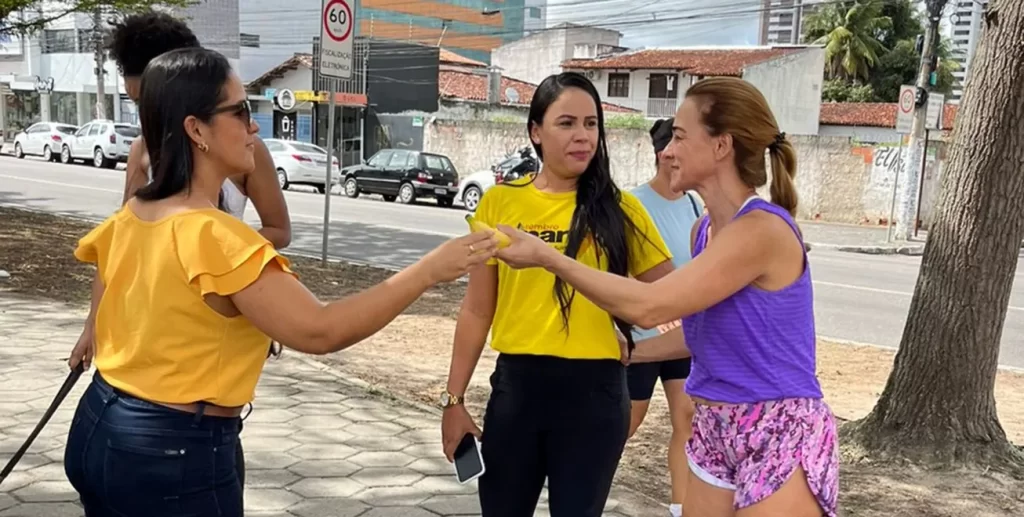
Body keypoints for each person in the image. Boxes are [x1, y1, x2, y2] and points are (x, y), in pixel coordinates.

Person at [61, 47, 499, 517]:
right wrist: (428, 270)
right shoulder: (216, 235)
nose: (254, 127)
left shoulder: (134, 215)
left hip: (100, 424)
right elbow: (320, 329)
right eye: (240, 110)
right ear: (196, 129)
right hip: (174, 453)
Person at [493, 76, 839, 517]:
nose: (667, 150)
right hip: (713, 427)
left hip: (775, 427)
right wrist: (629, 351)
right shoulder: (704, 233)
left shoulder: (760, 230)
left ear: (721, 146)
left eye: (678, 136)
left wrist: (549, 257)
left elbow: (649, 305)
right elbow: (702, 335)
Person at [67, 11, 292, 488]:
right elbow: (118, 242)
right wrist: (92, 328)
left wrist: (235, 271)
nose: (146, 115)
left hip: (211, 338)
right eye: (136, 103)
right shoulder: (140, 153)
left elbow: (277, 229)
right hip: (143, 367)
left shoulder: (244, 151)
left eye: (149, 99)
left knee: (209, 449)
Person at [440, 71, 674, 517]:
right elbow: (476, 310)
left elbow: (672, 297)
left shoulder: (621, 210)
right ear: (536, 132)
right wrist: (454, 401)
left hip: (595, 396)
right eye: (566, 123)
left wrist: (643, 351)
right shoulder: (500, 205)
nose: (582, 136)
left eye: (591, 124)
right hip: (518, 390)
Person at [625, 118, 705, 517]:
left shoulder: (693, 204)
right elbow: (622, 271)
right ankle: (581, 476)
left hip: (685, 334)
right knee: (629, 419)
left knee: (687, 418)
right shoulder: (631, 203)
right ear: (663, 154)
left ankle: (680, 507)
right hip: (644, 334)